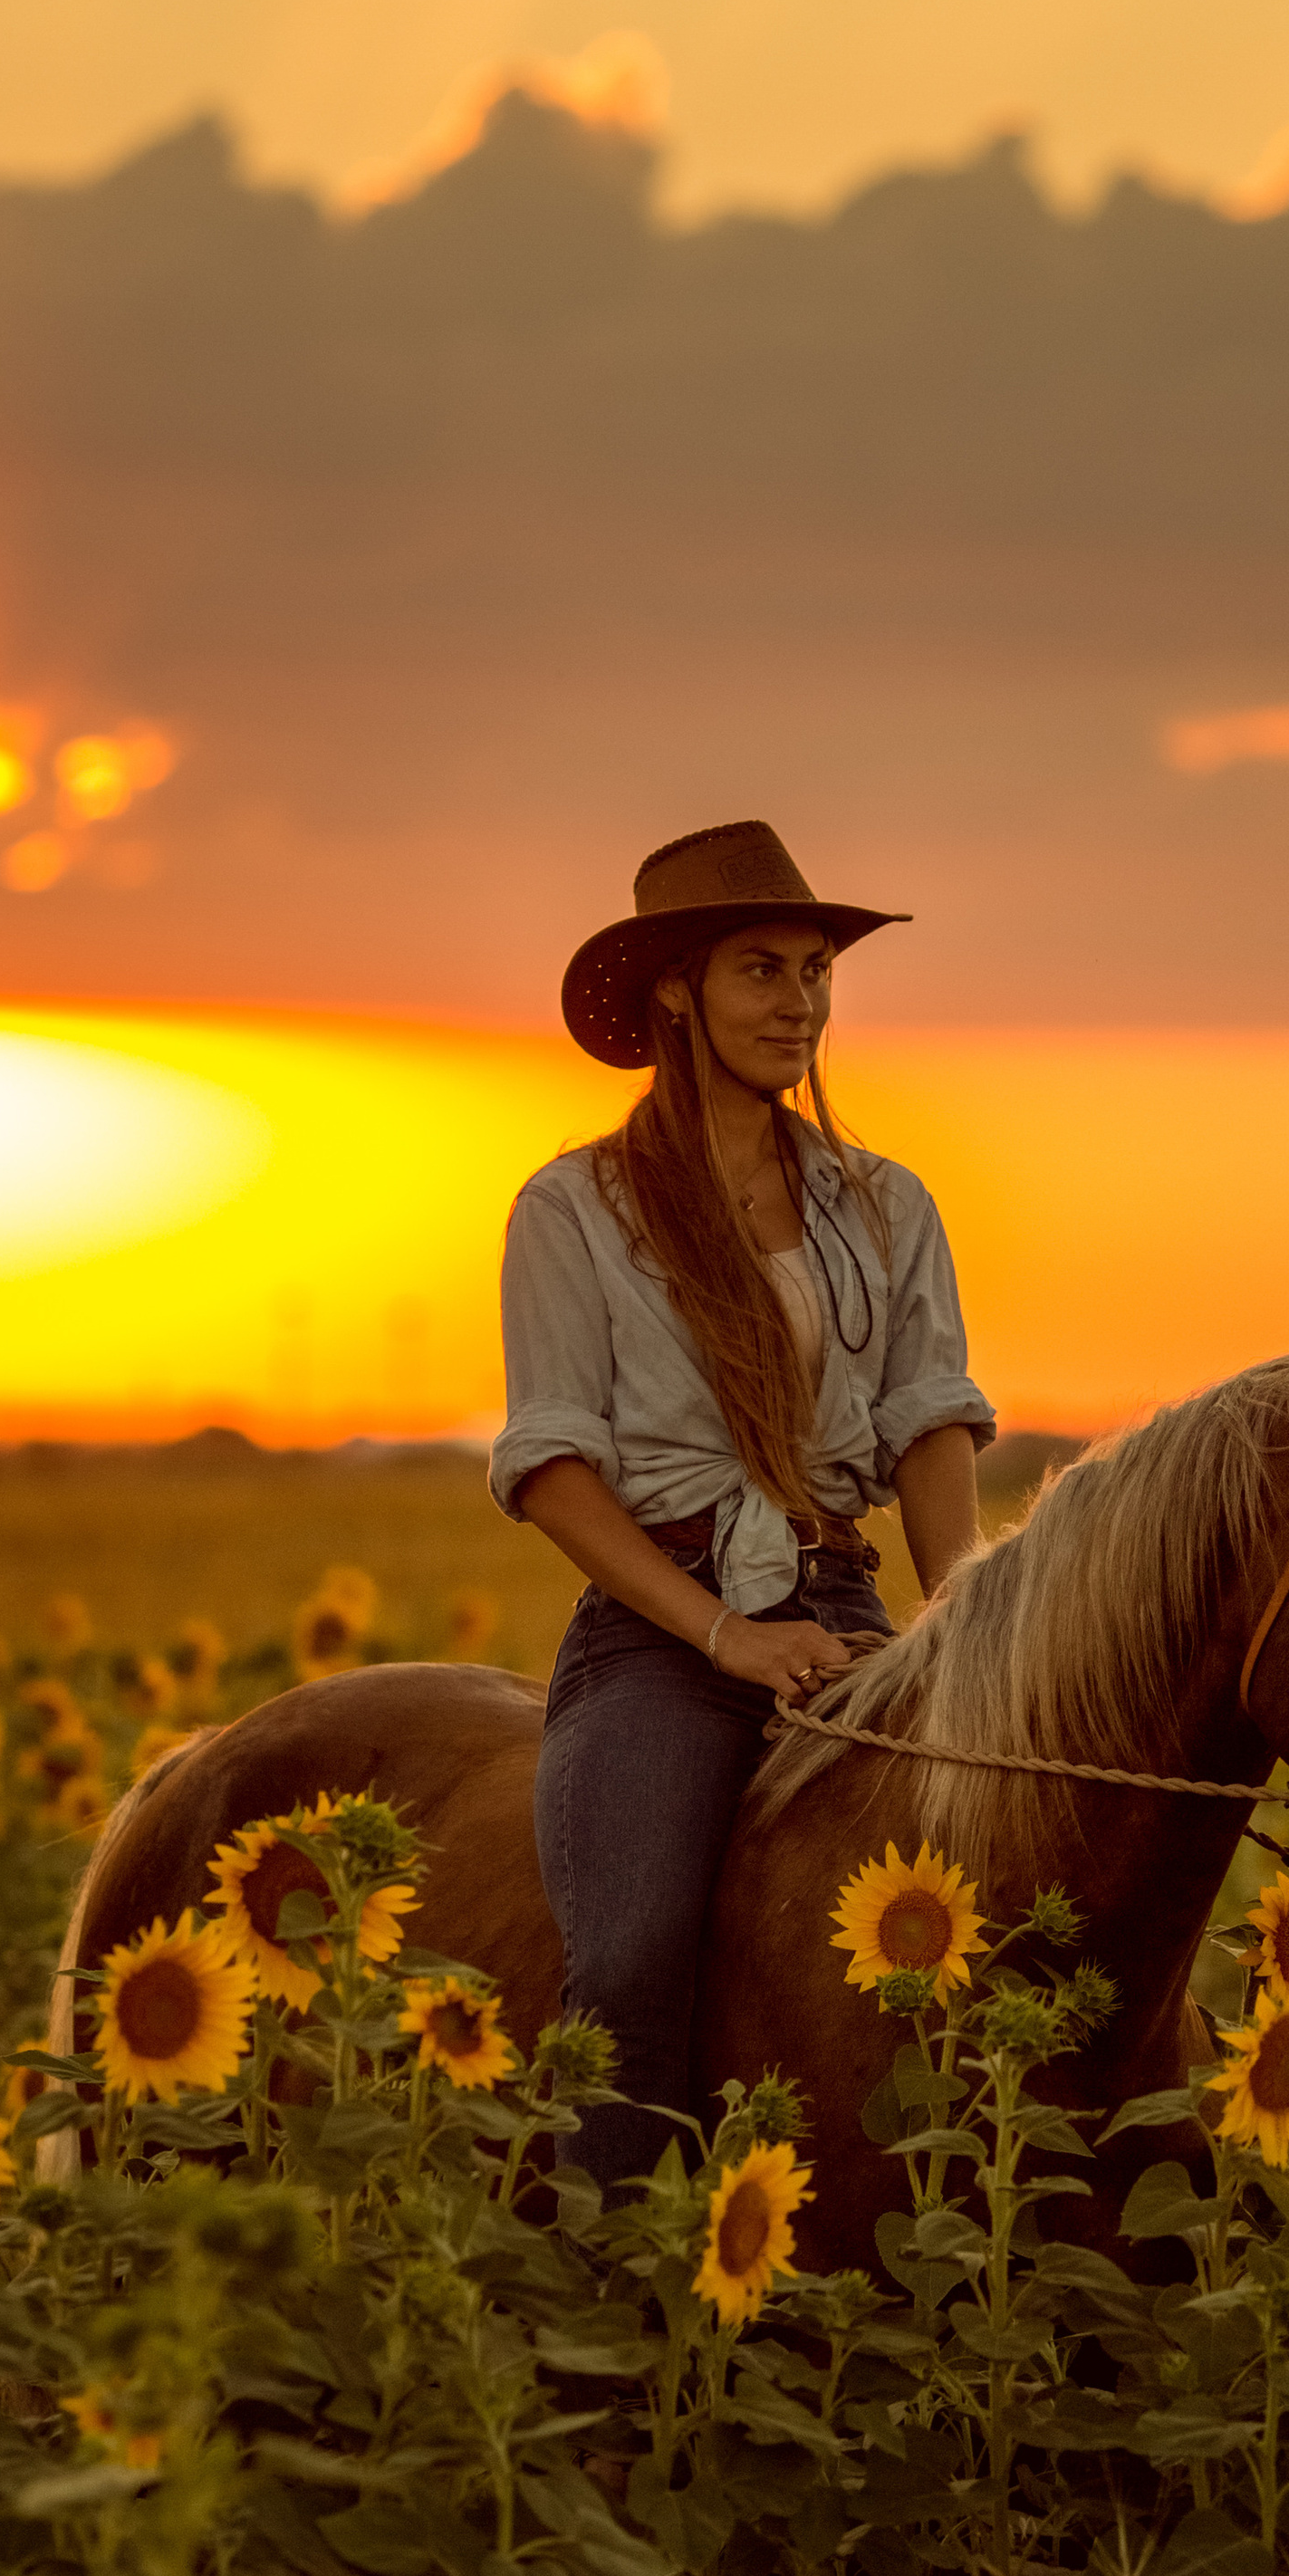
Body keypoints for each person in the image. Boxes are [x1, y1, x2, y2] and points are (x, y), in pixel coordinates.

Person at [490, 819, 996, 2188]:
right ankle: (593, 2281)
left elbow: (929, 1428)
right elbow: (552, 1469)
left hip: (847, 1605)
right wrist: (724, 1635)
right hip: (664, 1632)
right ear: (676, 992)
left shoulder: (884, 1207)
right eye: (761, 970)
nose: (801, 1003)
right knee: (638, 1952)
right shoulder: (575, 1210)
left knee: (998, 1914)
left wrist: (959, 1637)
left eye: (817, 970)